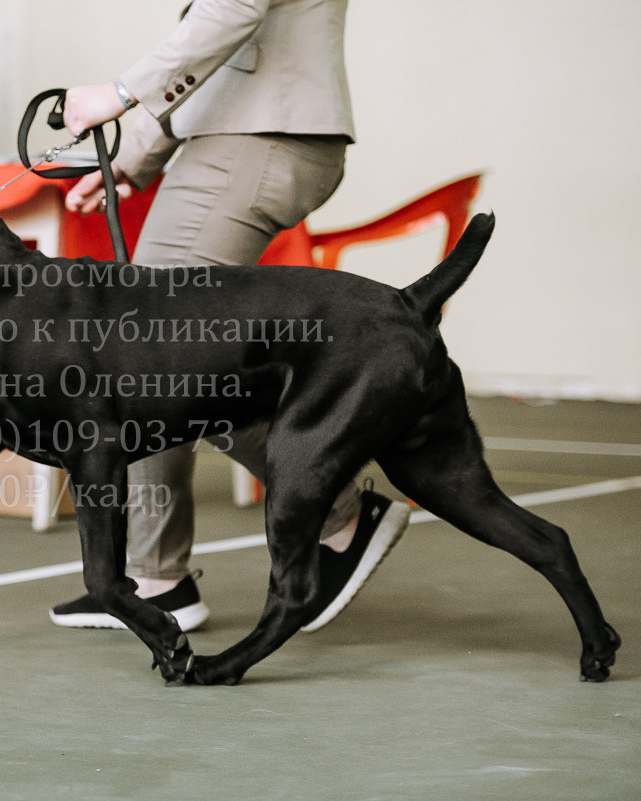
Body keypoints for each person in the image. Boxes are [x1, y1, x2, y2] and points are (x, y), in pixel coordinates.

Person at [49, 0, 410, 633]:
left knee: (154, 360)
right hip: (237, 141)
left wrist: (118, 93)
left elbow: (232, 11)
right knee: (150, 365)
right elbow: (219, 49)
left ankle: (340, 515)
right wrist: (137, 152)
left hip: (254, 143)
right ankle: (156, 579)